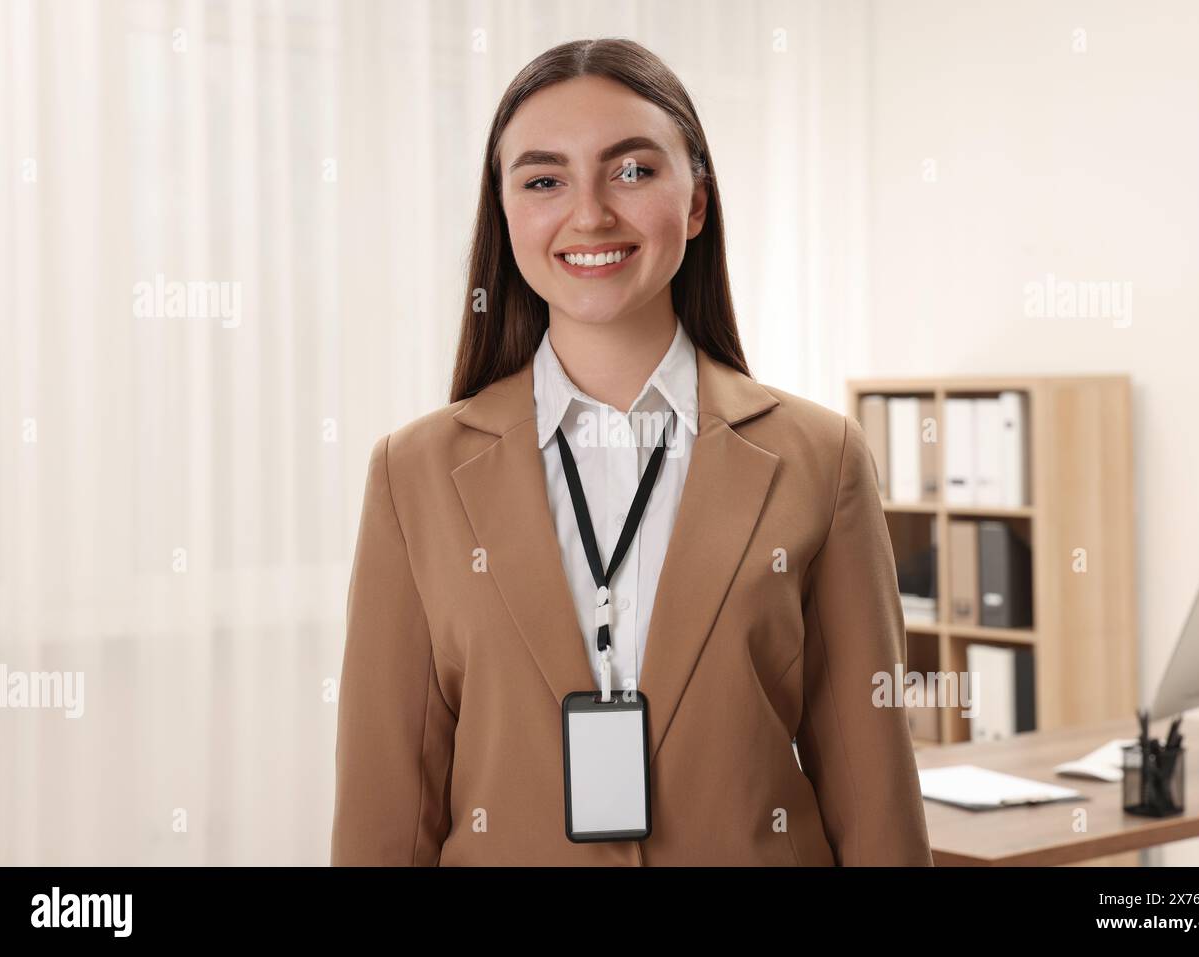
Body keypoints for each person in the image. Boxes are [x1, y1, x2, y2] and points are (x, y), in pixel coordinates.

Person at [330, 37, 932, 866]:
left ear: (695, 203)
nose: (590, 215)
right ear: (505, 216)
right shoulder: (413, 473)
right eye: (544, 181)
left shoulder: (820, 459)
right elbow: (384, 814)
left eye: (633, 171)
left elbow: (876, 803)